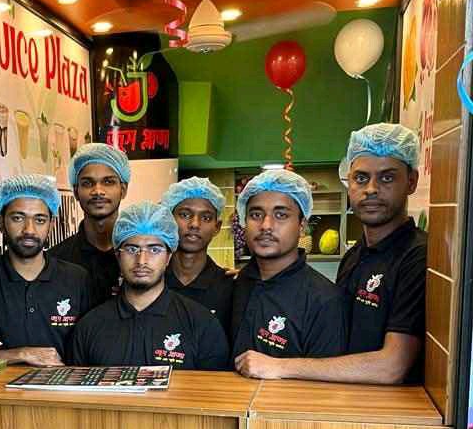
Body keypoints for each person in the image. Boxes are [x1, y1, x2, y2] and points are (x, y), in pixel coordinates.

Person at [234, 125, 426, 385]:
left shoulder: (417, 256)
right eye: (361, 178)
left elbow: (392, 367)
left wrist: (278, 365)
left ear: (411, 182)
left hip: (387, 408)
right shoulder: (356, 255)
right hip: (346, 398)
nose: (371, 189)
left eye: (387, 178)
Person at [71, 201, 230, 370]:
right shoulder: (90, 326)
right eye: (132, 249)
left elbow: (214, 386)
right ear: (118, 256)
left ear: (168, 257)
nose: (142, 261)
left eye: (154, 250)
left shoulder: (202, 324)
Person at [232, 168, 348, 373]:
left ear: (302, 226)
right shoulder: (237, 284)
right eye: (256, 215)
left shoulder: (323, 300)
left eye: (281, 215)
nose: (266, 225)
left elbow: (327, 385)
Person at [0, 173, 91, 367]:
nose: (29, 230)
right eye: (18, 218)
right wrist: (21, 354)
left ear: (51, 224)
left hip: (63, 384)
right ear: (0, 222)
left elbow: (88, 351)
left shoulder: (76, 278)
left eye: (40, 220)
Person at [49, 142, 130, 305]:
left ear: (123, 189)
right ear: (76, 191)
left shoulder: (140, 257)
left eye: (108, 182)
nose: (98, 191)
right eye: (87, 183)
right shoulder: (55, 261)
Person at [161, 176, 233, 333]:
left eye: (206, 218)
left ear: (217, 227)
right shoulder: (151, 280)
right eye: (185, 215)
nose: (194, 224)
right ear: (169, 220)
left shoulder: (231, 287)